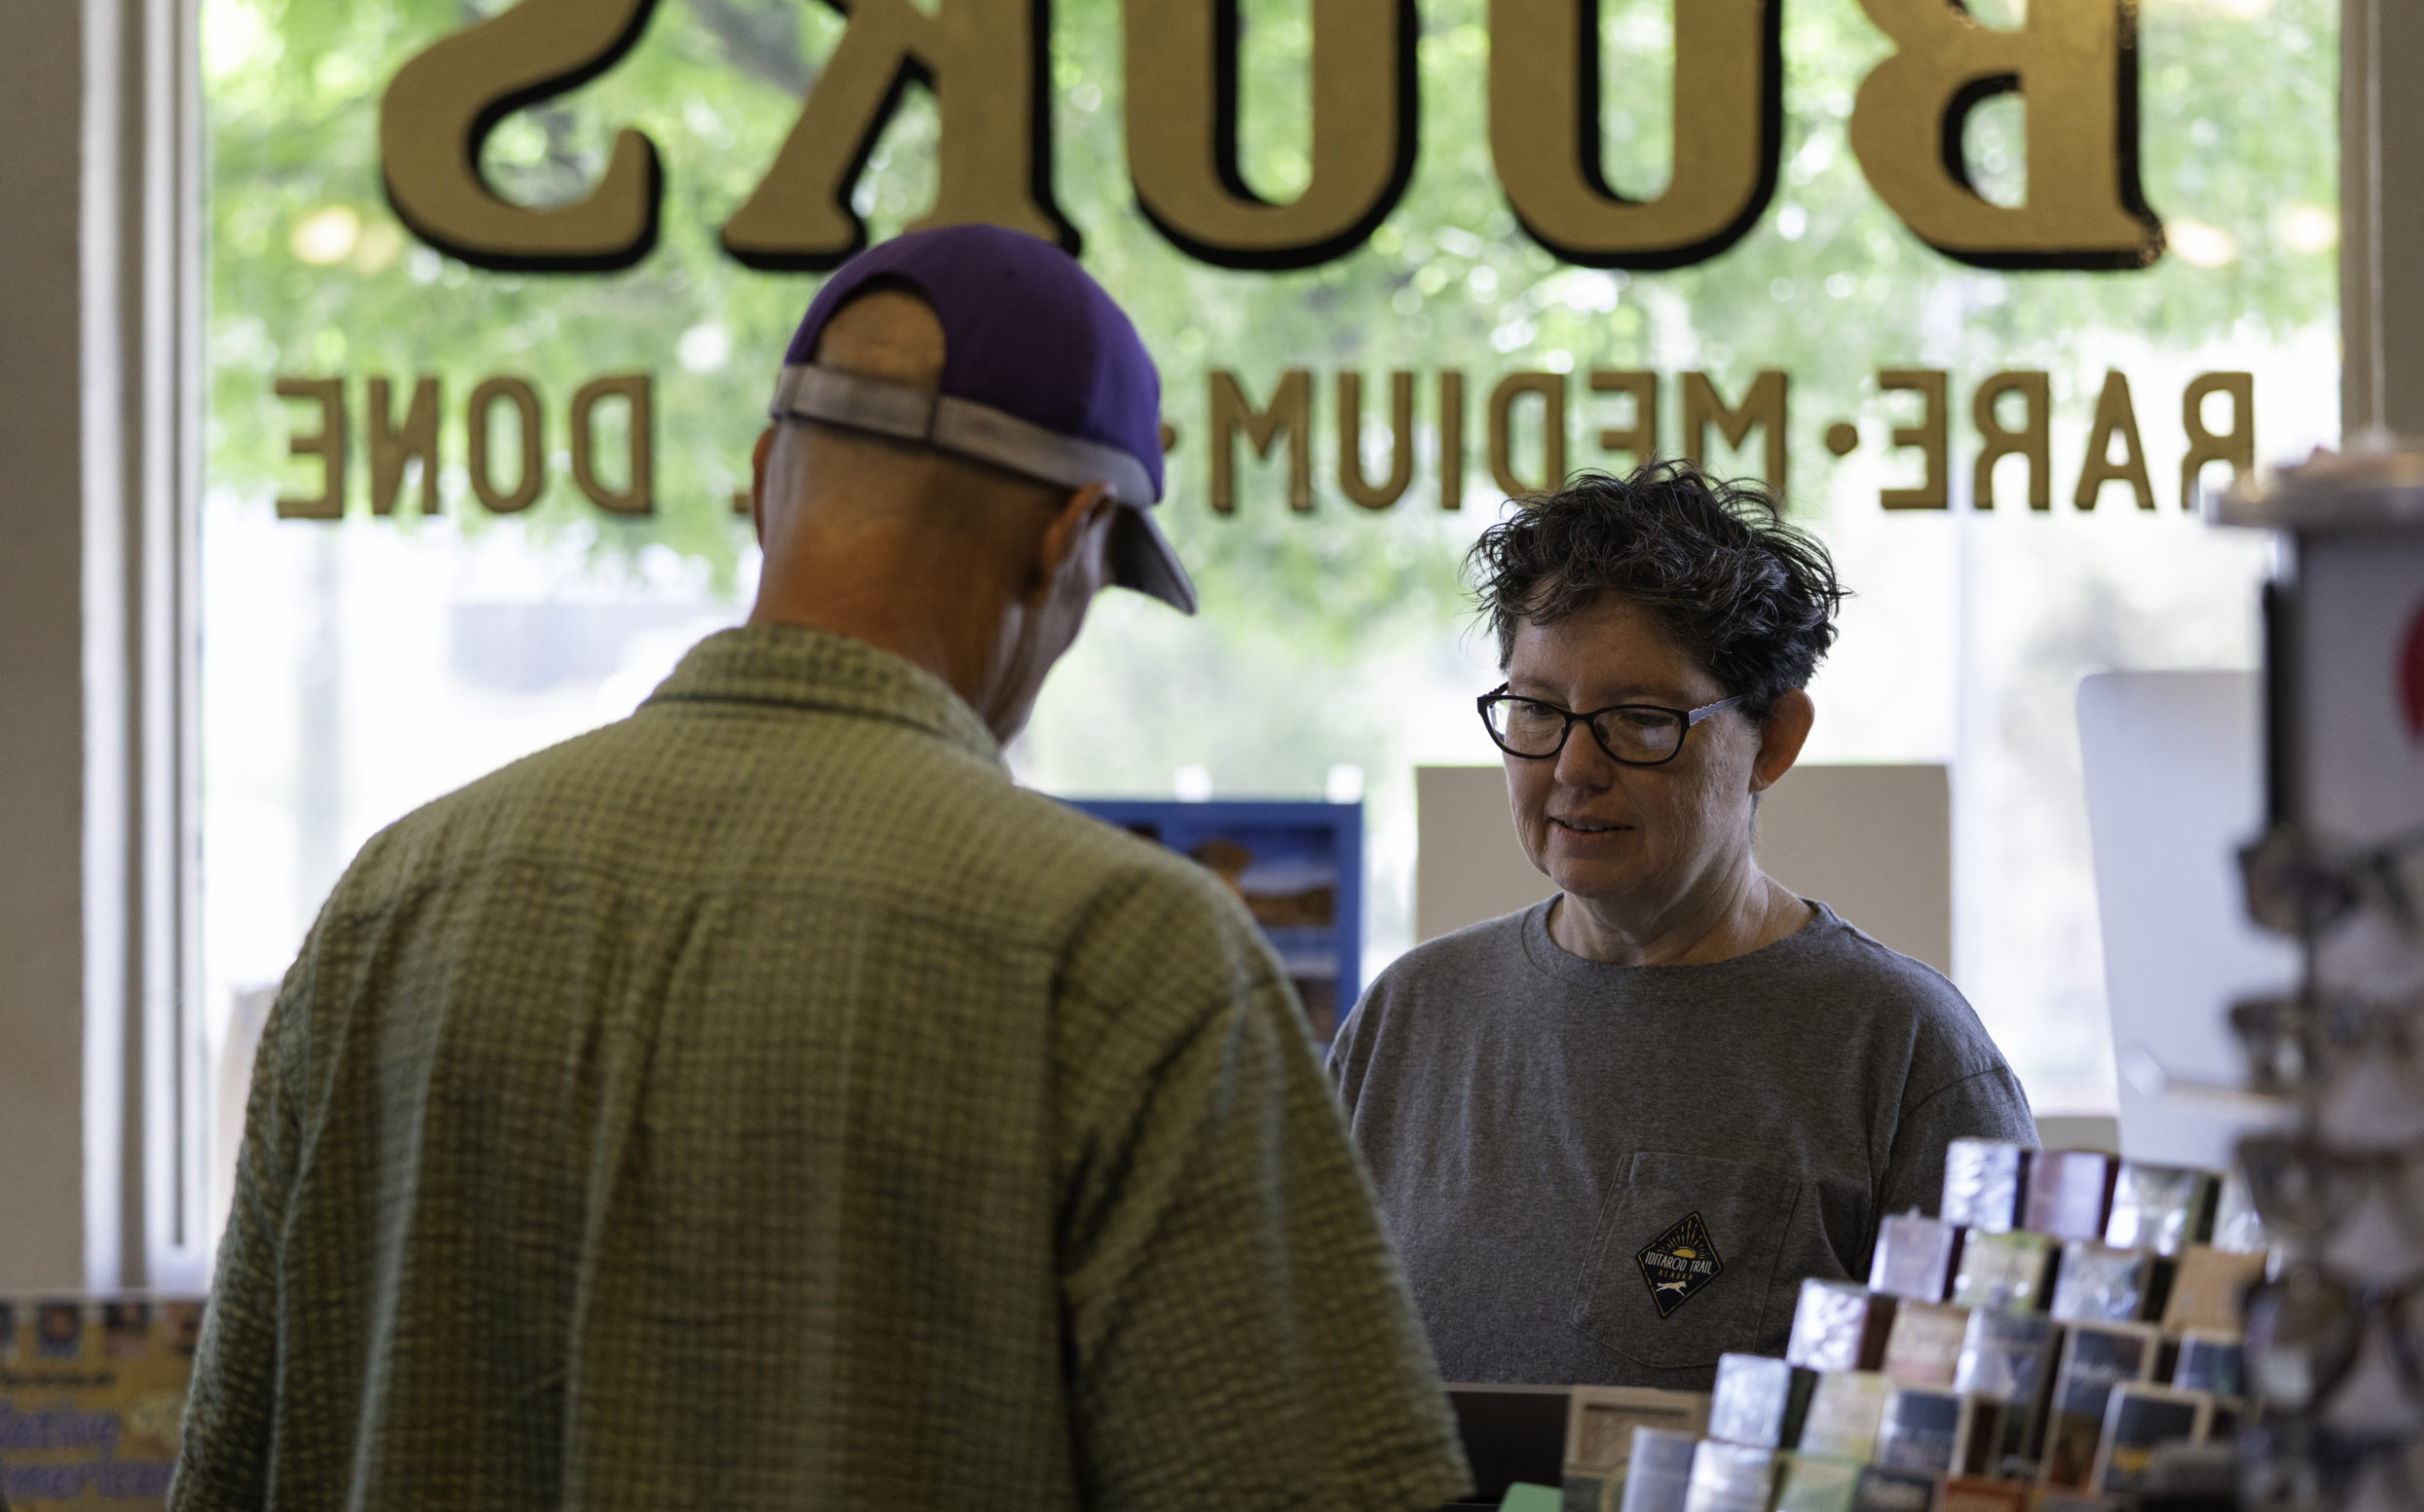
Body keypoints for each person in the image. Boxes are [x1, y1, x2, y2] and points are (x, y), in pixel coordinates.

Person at [172, 225, 1468, 1512]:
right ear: (1068, 537)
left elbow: (228, 1463)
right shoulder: (1119, 950)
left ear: (761, 478)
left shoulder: (391, 905)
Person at [1329, 461, 2036, 1389]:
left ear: (1773, 741)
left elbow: (1987, 1438)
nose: (1574, 767)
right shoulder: (1409, 1019)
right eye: (1538, 710)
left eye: (1639, 720)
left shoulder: (1903, 1056)